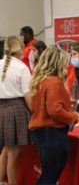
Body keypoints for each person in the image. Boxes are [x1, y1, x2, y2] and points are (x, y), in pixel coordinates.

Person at [28, 45, 79, 185]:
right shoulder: (54, 81)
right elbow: (54, 110)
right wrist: (74, 116)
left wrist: (66, 101)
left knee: (48, 174)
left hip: (41, 131)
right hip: (52, 132)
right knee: (50, 176)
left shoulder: (39, 80)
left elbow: (40, 105)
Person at [0, 36, 31, 185]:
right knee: (14, 153)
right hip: (17, 109)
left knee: (6, 150)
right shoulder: (22, 68)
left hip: (1, 109)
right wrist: (35, 112)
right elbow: (28, 95)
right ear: (20, 49)